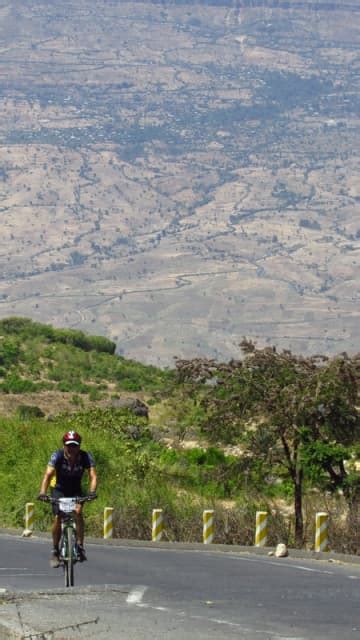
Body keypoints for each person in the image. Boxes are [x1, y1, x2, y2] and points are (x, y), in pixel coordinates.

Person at [38, 430, 97, 568]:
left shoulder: (85, 456)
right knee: (59, 517)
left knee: (78, 512)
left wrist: (92, 492)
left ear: (79, 446)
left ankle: (80, 546)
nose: (72, 449)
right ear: (64, 445)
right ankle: (55, 550)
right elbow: (47, 475)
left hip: (76, 489)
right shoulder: (57, 456)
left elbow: (93, 475)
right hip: (59, 488)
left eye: (75, 445)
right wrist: (42, 492)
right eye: (68, 445)